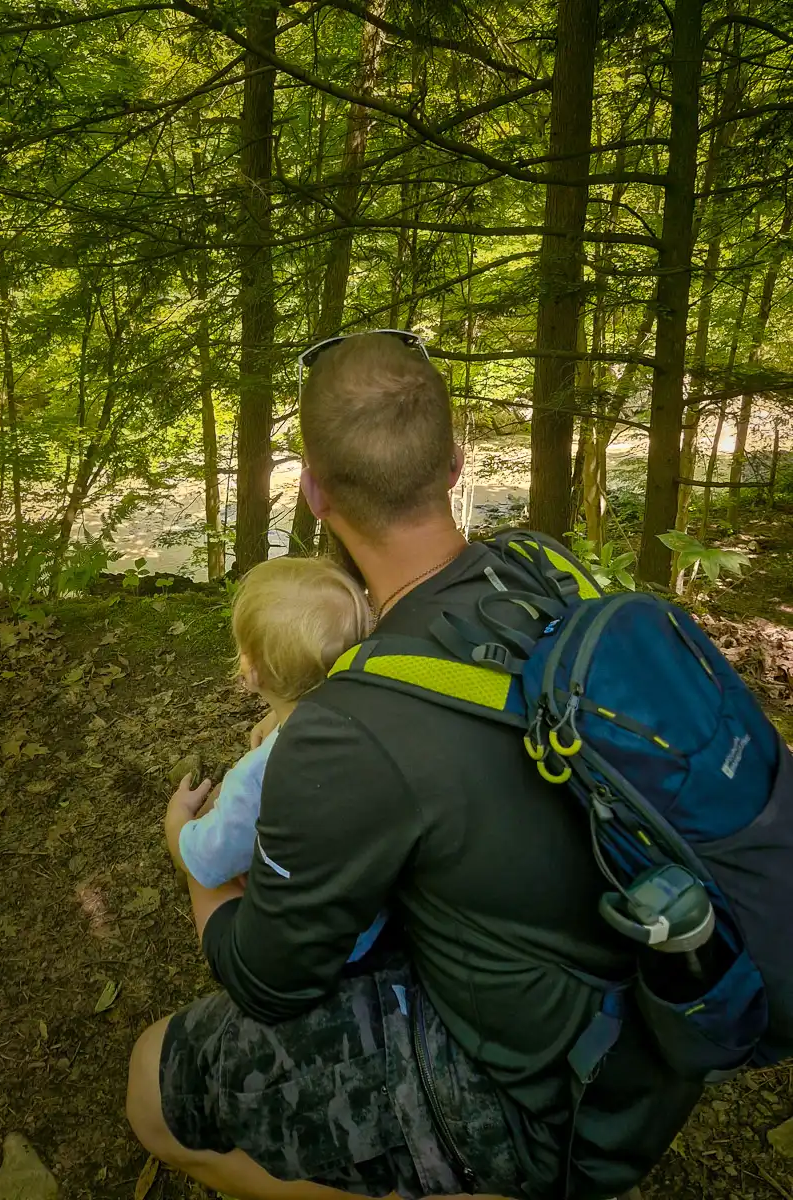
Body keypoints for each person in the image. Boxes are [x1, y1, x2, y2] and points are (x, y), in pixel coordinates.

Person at [127, 331, 702, 1200]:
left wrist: (190, 862)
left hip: (544, 1102)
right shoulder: (538, 569)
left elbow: (268, 977)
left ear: (316, 493)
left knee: (148, 1088)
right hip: (655, 1017)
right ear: (456, 466)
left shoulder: (346, 725)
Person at [172, 555, 387, 962]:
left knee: (201, 866)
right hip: (369, 918)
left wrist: (178, 822)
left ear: (251, 673)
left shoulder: (259, 773)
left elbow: (209, 860)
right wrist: (278, 712)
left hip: (314, 946)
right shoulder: (378, 707)